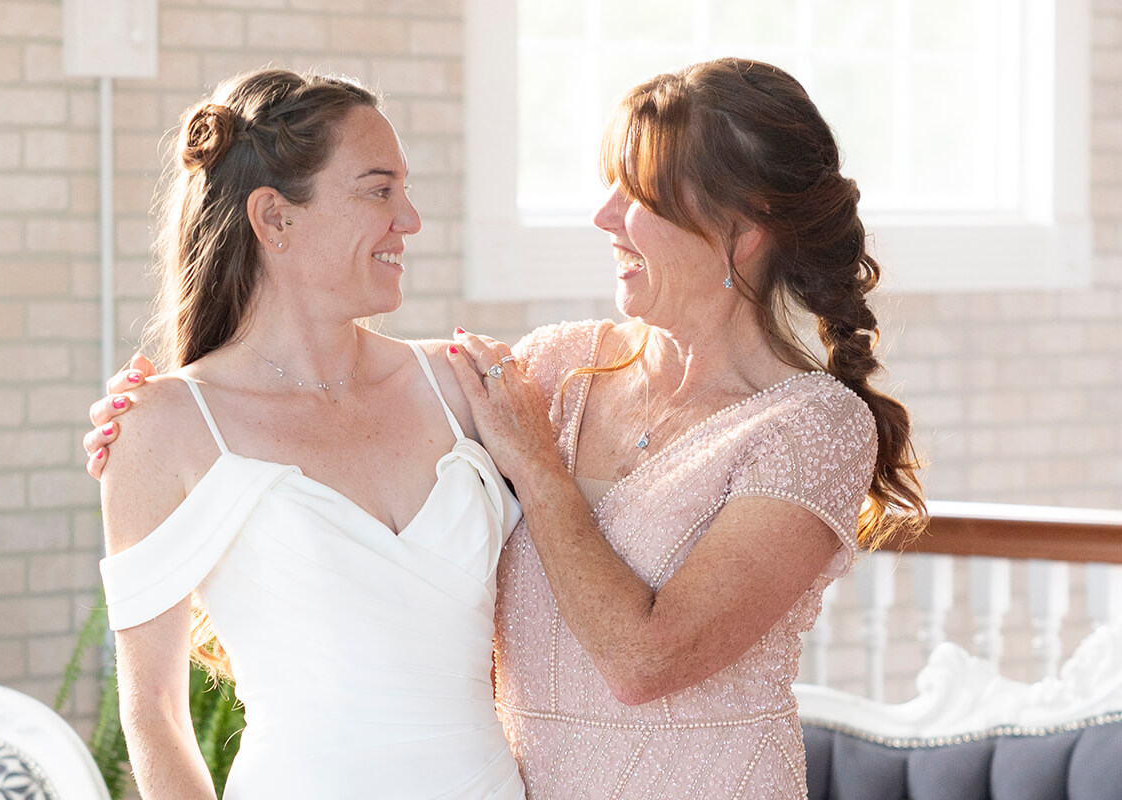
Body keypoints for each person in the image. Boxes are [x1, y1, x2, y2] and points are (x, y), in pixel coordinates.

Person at [88, 58, 926, 799]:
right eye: (380, 190)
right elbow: (164, 698)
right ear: (274, 219)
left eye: (637, 196)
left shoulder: (808, 428)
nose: (603, 218)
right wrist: (147, 424)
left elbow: (647, 660)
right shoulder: (549, 373)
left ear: (742, 231)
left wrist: (540, 469)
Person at [93, 68, 526, 799]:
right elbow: (155, 712)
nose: (410, 219)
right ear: (275, 219)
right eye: (378, 190)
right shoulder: (165, 426)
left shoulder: (460, 385)